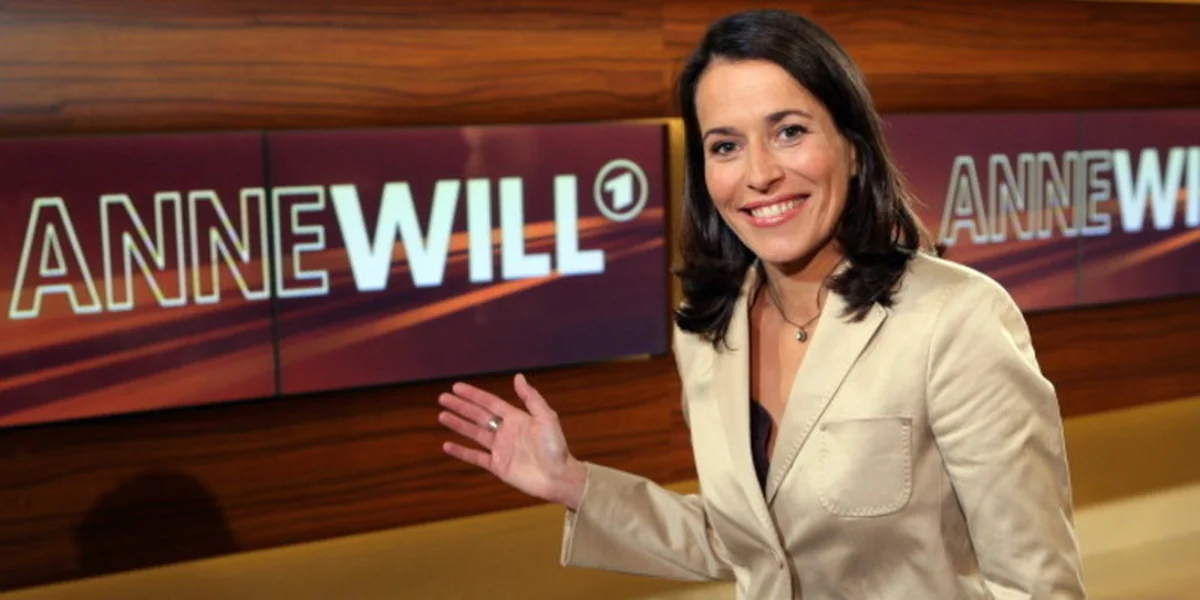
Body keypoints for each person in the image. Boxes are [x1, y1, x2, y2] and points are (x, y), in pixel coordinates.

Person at [437, 9, 1087, 599]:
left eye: (789, 132)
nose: (759, 174)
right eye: (725, 145)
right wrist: (574, 483)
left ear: (852, 148)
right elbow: (754, 544)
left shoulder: (956, 319)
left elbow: (1037, 586)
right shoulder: (707, 331)